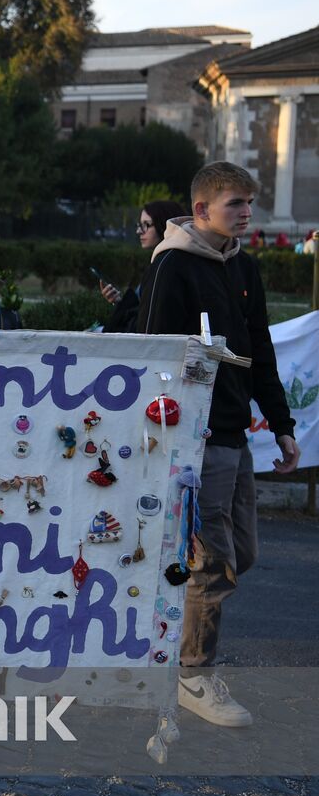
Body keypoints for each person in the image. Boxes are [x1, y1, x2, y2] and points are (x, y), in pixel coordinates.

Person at [137, 161, 300, 727]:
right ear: (202, 209)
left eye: (250, 204)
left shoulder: (244, 267)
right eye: (236, 204)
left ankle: (161, 642)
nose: (247, 214)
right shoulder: (172, 267)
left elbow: (261, 353)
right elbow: (154, 354)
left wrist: (281, 424)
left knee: (241, 555)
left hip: (235, 437)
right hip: (192, 439)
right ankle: (192, 676)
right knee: (211, 563)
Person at [99, 200, 188, 333]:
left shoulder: (166, 266)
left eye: (146, 225)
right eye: (139, 225)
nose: (139, 231)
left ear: (164, 225)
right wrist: (119, 302)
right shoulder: (162, 261)